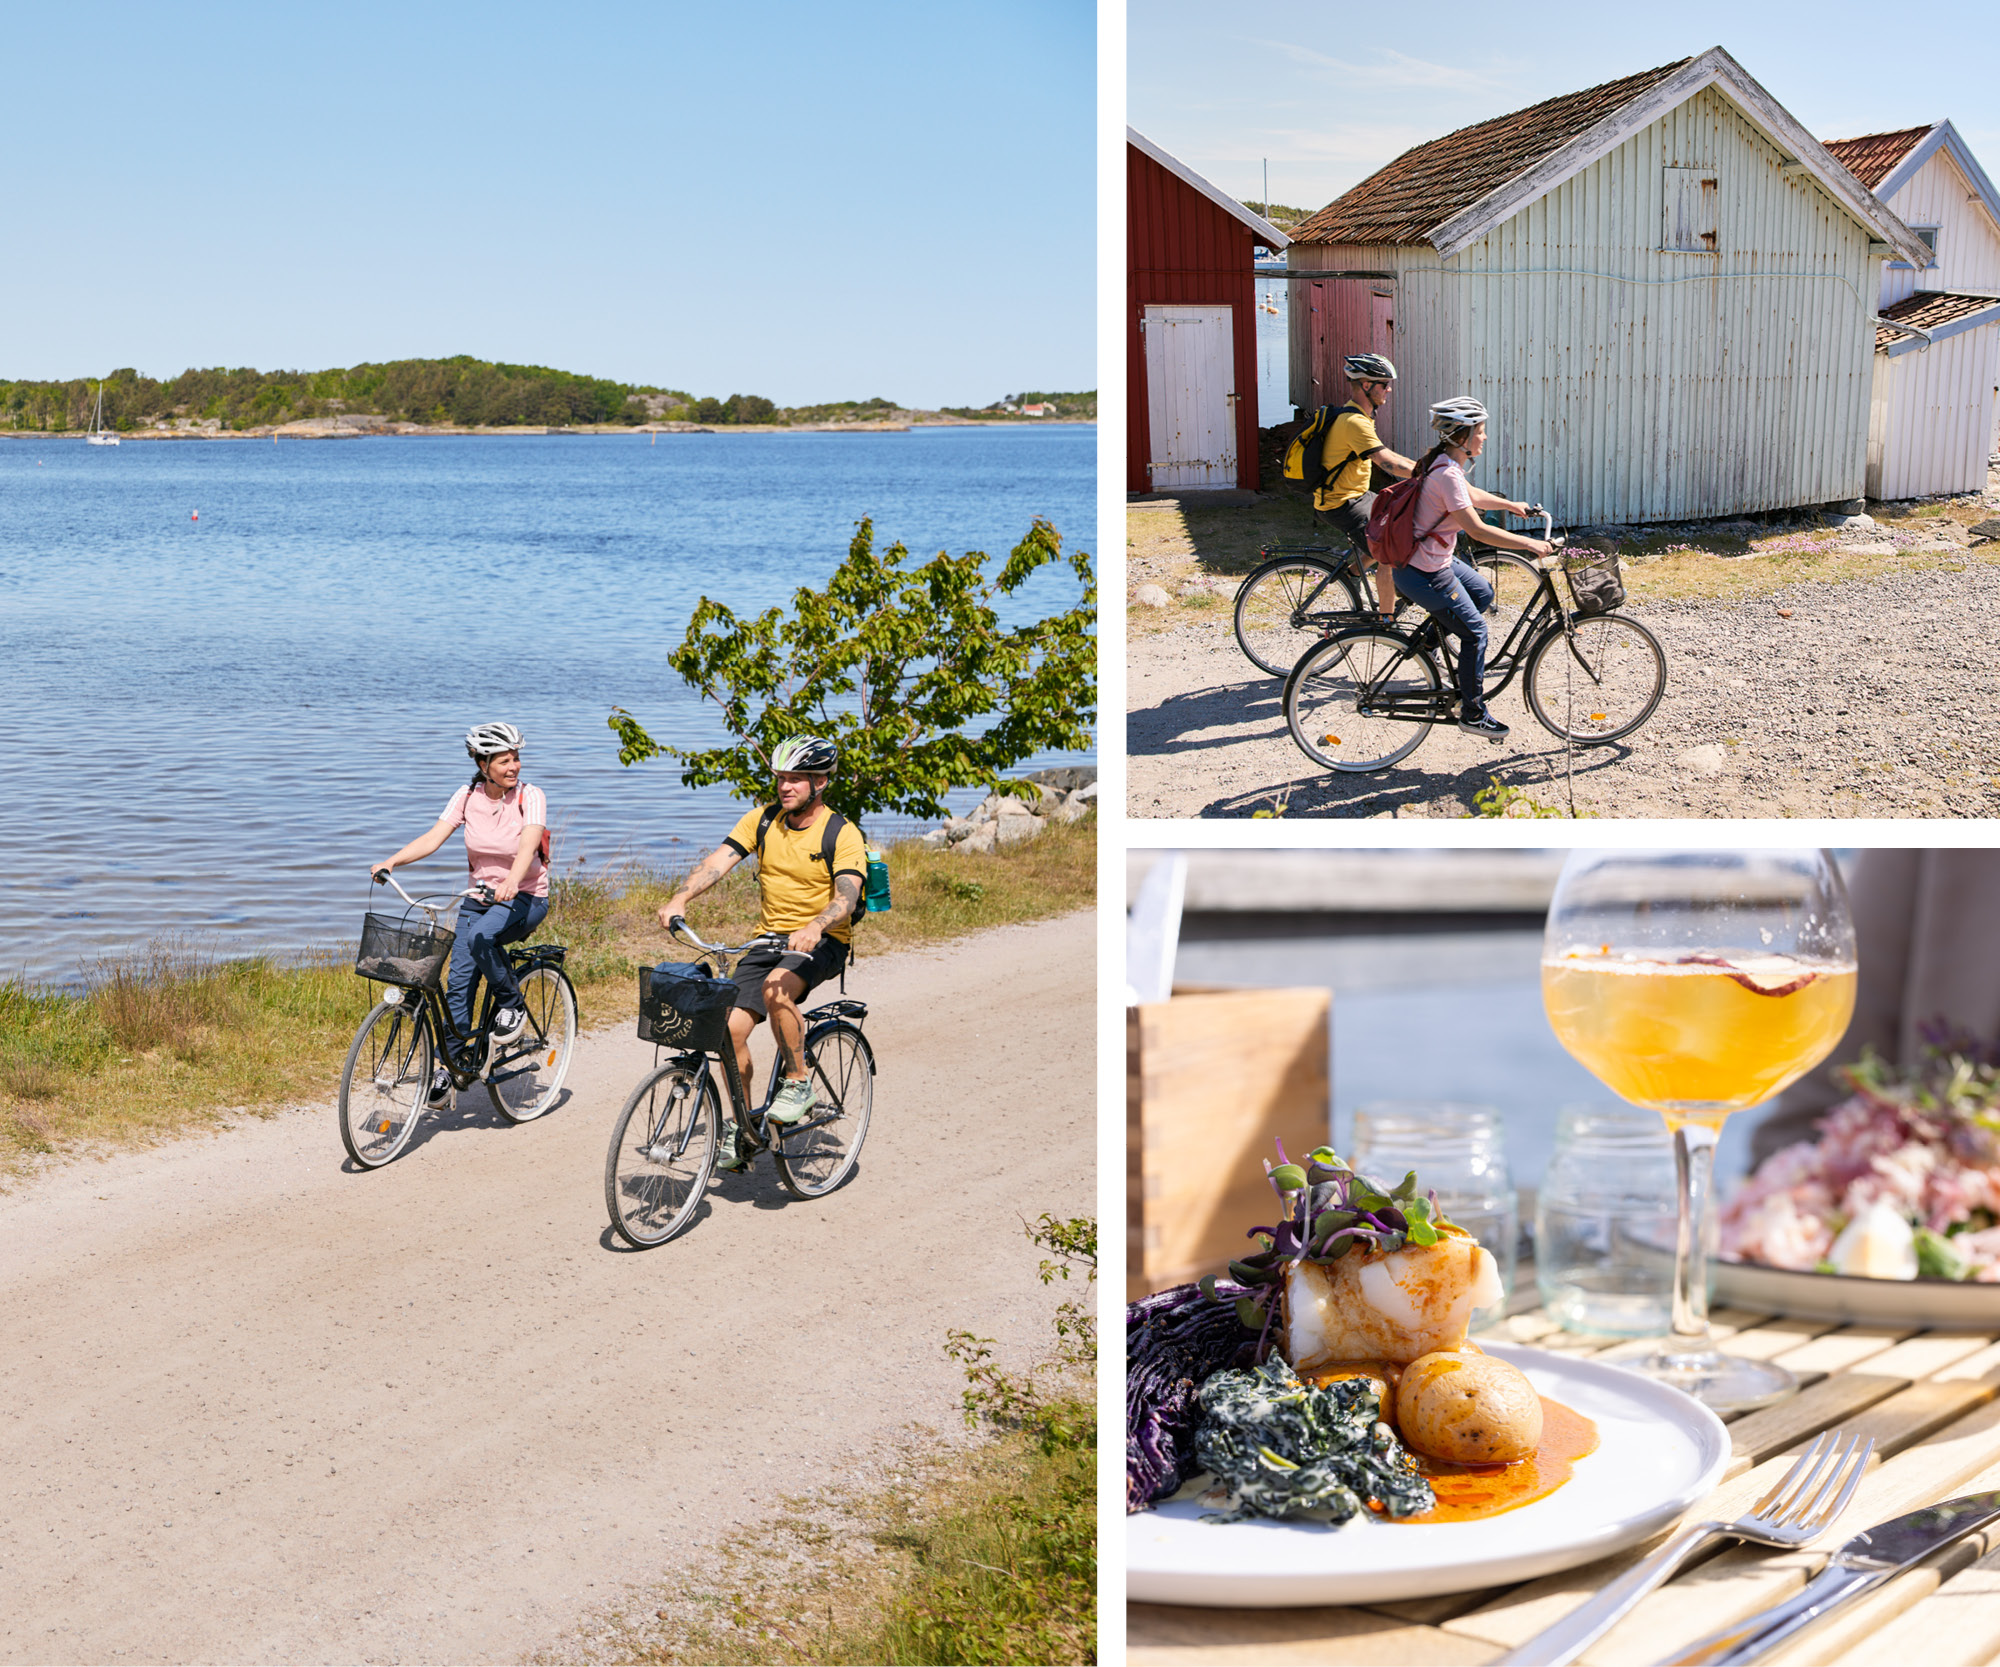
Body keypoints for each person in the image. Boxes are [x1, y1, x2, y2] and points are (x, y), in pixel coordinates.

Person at [658, 735, 866, 1171]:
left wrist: (814, 926)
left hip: (823, 940)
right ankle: (741, 1126)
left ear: (820, 782)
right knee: (727, 1031)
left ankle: (797, 1082)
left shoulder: (841, 832)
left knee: (777, 991)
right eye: (781, 778)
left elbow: (847, 895)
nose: (785, 786)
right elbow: (718, 861)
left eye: (795, 779)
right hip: (768, 939)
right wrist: (680, 898)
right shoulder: (763, 820)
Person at [375, 722, 550, 1106]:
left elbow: (527, 846)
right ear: (483, 763)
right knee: (458, 982)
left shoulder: (530, 796)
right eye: (505, 760)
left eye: (516, 758)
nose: (514, 766)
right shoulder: (467, 795)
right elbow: (433, 837)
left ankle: (512, 1005)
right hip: (479, 898)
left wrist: (512, 882)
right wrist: (392, 861)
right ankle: (448, 1063)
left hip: (525, 897)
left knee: (480, 938)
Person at [1390, 397, 1554, 742]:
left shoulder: (1441, 462)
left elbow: (1471, 495)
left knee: (1482, 592)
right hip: (1424, 573)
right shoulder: (1447, 472)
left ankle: (1426, 646)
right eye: (1480, 431)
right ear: (1462, 436)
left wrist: (1511, 504)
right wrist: (1529, 544)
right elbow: (1477, 529)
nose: (1485, 437)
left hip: (1428, 563)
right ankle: (1473, 712)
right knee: (1476, 633)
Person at [1312, 353, 1416, 615]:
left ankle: (1352, 574)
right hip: (1341, 503)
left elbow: (1389, 453)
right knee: (1390, 550)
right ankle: (1386, 622)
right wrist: (1427, 474)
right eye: (1384, 383)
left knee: (1396, 518)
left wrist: (1424, 468)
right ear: (1366, 385)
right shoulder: (1354, 422)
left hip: (1355, 495)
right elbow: (1386, 462)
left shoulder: (1358, 415)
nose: (1389, 389)